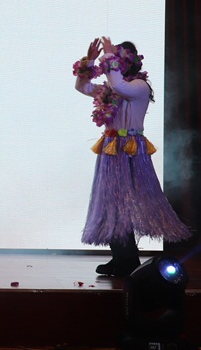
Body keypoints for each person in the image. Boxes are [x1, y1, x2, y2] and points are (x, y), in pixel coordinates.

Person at [73, 37, 191, 276]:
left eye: (118, 58)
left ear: (130, 62)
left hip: (130, 150)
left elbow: (120, 87)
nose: (113, 62)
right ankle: (121, 258)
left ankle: (128, 260)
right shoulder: (110, 89)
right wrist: (90, 61)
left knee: (125, 203)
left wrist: (108, 55)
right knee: (111, 203)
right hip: (111, 149)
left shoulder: (139, 86)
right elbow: (82, 87)